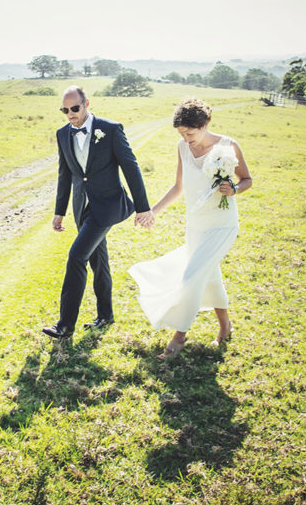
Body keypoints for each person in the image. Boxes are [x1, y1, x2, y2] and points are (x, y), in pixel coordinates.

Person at [128, 97, 252, 359]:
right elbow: (178, 187)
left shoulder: (229, 146)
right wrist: (152, 212)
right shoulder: (183, 148)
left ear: (205, 123)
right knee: (209, 275)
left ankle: (179, 336)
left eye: (190, 133)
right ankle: (225, 326)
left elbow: (247, 179)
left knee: (191, 278)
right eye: (182, 134)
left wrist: (235, 189)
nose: (186, 139)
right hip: (195, 226)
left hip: (222, 225)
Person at [42, 86, 153, 340]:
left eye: (74, 108)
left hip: (108, 206)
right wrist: (59, 211)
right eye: (65, 110)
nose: (70, 114)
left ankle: (65, 325)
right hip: (83, 208)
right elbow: (65, 174)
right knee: (98, 260)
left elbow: (131, 167)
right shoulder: (62, 134)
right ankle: (106, 315)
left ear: (87, 103)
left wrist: (143, 206)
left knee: (76, 256)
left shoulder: (111, 129)